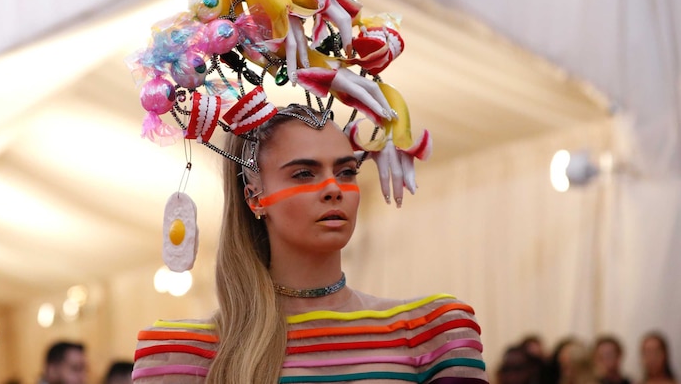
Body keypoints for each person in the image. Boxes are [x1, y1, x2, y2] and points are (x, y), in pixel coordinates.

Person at [132, 104, 488, 383]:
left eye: (346, 171)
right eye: (304, 173)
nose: (334, 188)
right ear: (255, 198)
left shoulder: (431, 331)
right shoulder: (185, 353)